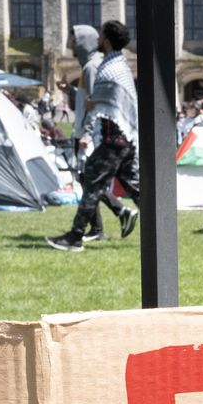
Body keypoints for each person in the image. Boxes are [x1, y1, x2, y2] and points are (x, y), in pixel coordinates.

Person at [48, 21, 140, 251]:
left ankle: (76, 236)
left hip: (114, 138)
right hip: (122, 138)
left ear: (106, 41)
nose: (98, 40)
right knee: (133, 186)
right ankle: (159, 223)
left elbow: (98, 100)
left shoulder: (107, 68)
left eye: (101, 36)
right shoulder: (118, 65)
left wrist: (88, 129)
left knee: (92, 180)